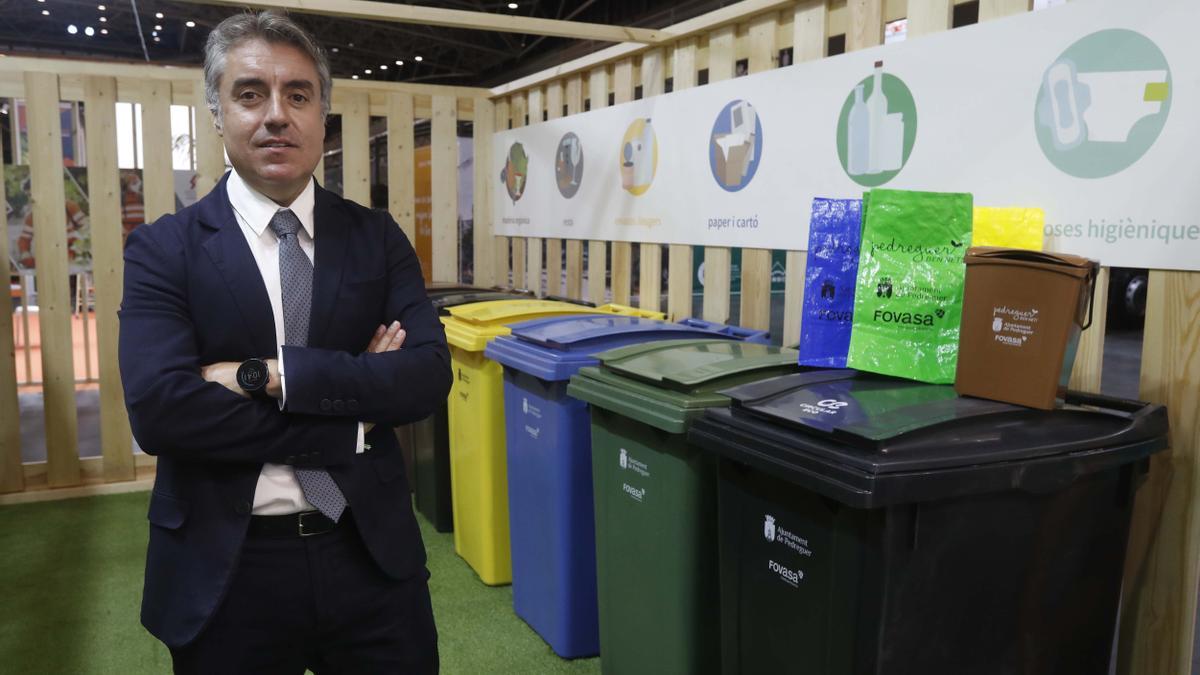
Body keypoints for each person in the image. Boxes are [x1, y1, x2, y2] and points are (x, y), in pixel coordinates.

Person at [118, 11, 448, 673]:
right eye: (250, 94)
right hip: (227, 567)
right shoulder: (164, 250)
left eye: (297, 94)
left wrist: (265, 374)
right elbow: (162, 410)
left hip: (369, 557)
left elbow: (424, 376)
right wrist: (349, 413)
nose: (276, 114)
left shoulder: (376, 238)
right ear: (217, 113)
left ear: (322, 114)